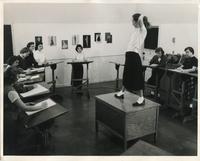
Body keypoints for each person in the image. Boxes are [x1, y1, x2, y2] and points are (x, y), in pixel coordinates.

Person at [4, 67, 46, 153]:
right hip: (11, 118)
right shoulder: (11, 91)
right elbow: (24, 108)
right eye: (18, 77)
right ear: (13, 78)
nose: (19, 79)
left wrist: (25, 104)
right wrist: (41, 106)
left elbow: (13, 103)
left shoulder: (4, 86)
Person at [115, 13, 150, 106]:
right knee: (126, 74)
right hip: (129, 55)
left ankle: (142, 98)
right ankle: (122, 92)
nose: (131, 22)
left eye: (132, 20)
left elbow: (141, 19)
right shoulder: (136, 30)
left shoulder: (143, 30)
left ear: (137, 21)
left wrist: (140, 16)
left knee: (137, 76)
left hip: (134, 56)